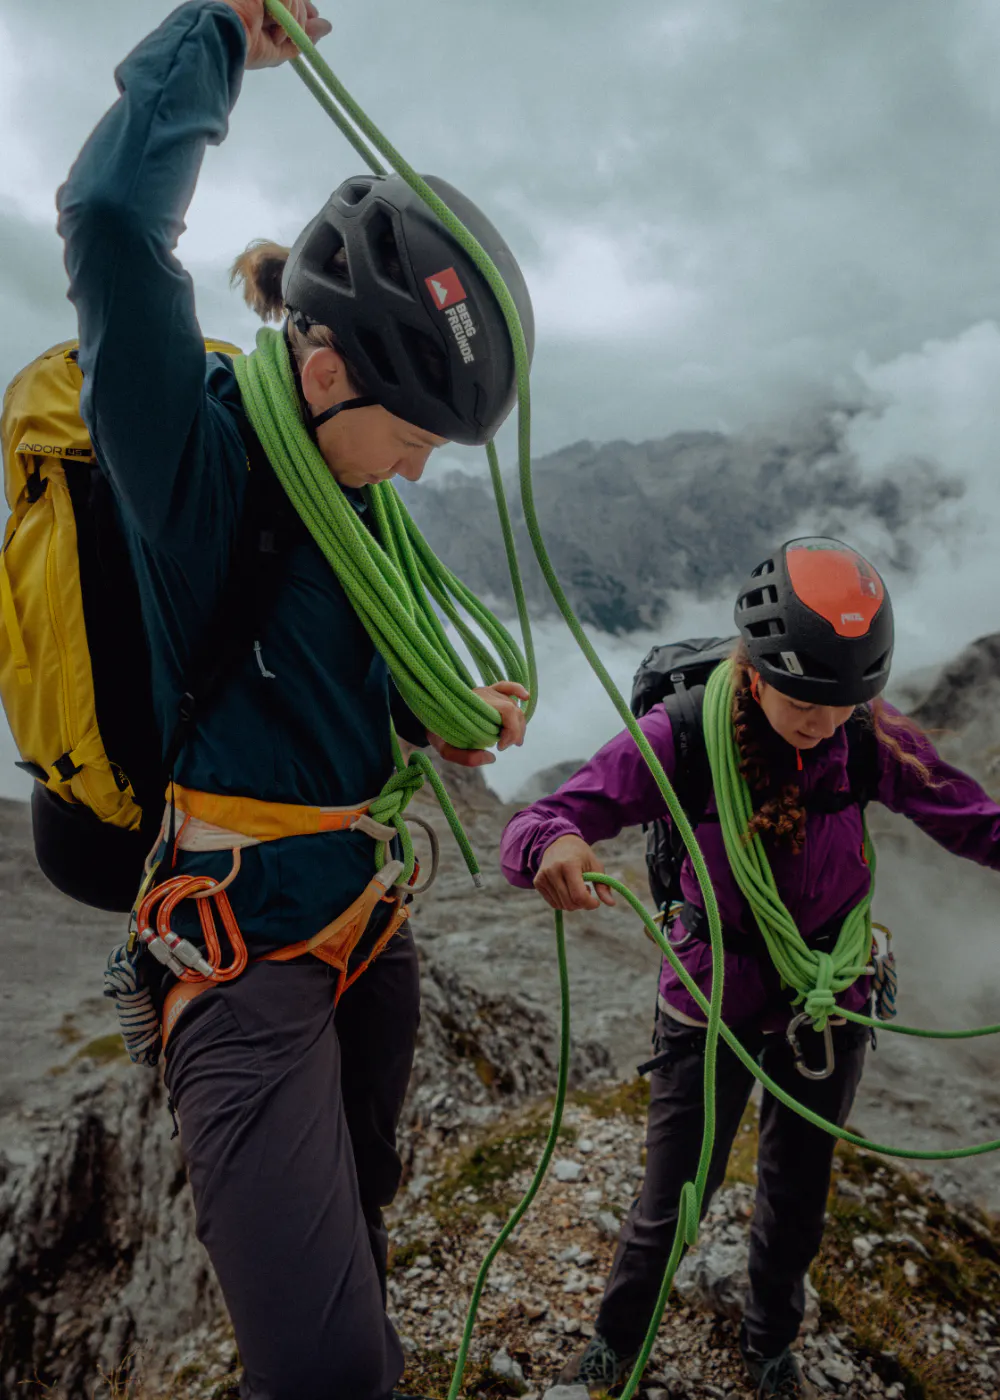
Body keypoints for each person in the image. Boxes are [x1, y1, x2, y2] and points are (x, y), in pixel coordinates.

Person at [56, 3, 534, 1398]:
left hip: (363, 929)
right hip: (240, 959)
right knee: (322, 1365)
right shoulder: (194, 472)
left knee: (363, 1230)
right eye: (418, 434)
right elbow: (104, 221)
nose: (427, 469)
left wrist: (433, 717)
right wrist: (215, 33)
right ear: (324, 373)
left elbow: (325, 664)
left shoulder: (352, 499)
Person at [500, 537, 1000, 1399]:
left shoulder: (867, 737)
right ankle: (618, 1341)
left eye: (842, 702)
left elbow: (972, 817)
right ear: (758, 668)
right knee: (671, 1198)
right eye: (805, 698)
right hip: (710, 1001)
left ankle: (771, 1342)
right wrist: (555, 844)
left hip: (827, 1001)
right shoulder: (684, 734)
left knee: (797, 1199)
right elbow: (543, 819)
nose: (822, 720)